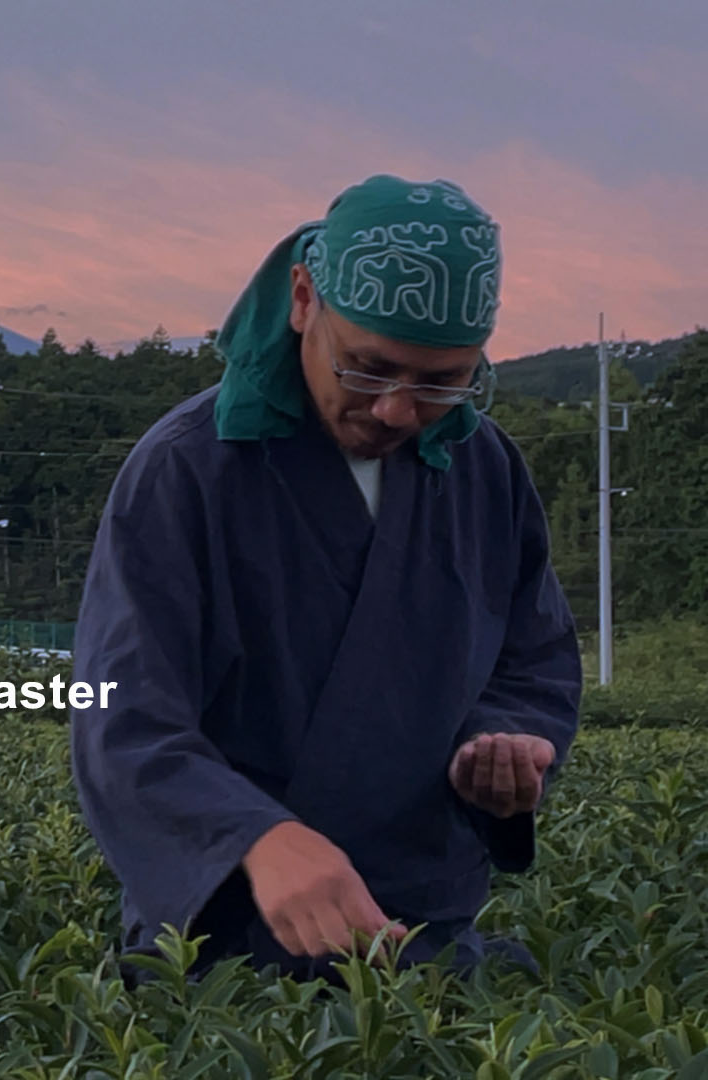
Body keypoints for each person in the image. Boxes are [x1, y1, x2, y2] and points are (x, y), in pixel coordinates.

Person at [68, 174, 582, 985]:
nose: (397, 412)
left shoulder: (485, 467)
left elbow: (533, 655)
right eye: (370, 369)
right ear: (303, 300)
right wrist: (255, 837)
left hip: (428, 927)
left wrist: (506, 740)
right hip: (227, 939)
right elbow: (124, 719)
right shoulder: (188, 469)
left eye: (443, 382)